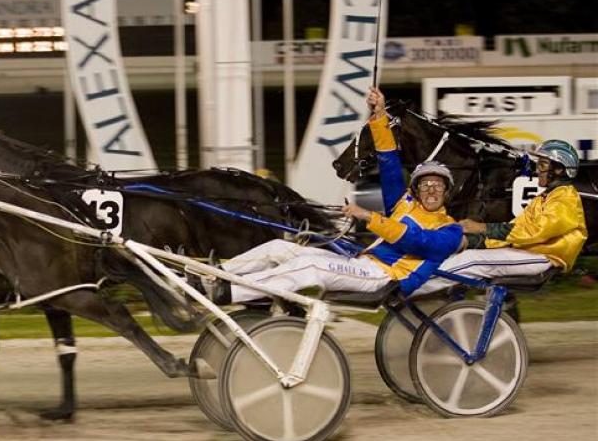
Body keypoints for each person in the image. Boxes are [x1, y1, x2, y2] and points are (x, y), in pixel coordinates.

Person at [208, 87, 463, 305]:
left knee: (310, 268)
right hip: (362, 263)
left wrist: (368, 217)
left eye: (438, 186)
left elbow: (416, 243)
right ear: (416, 190)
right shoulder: (403, 205)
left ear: (446, 193)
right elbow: (388, 162)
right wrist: (380, 114)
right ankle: (214, 275)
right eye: (426, 184)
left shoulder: (450, 231)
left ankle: (230, 291)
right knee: (281, 248)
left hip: (387, 278)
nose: (431, 189)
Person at [416, 139, 588, 294]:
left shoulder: (565, 198)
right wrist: (472, 241)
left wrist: (482, 228)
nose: (537, 170)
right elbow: (513, 233)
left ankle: (412, 286)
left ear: (559, 170)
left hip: (545, 257)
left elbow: (534, 232)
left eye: (542, 165)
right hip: (529, 252)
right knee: (463, 252)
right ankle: (420, 281)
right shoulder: (543, 199)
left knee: (472, 261)